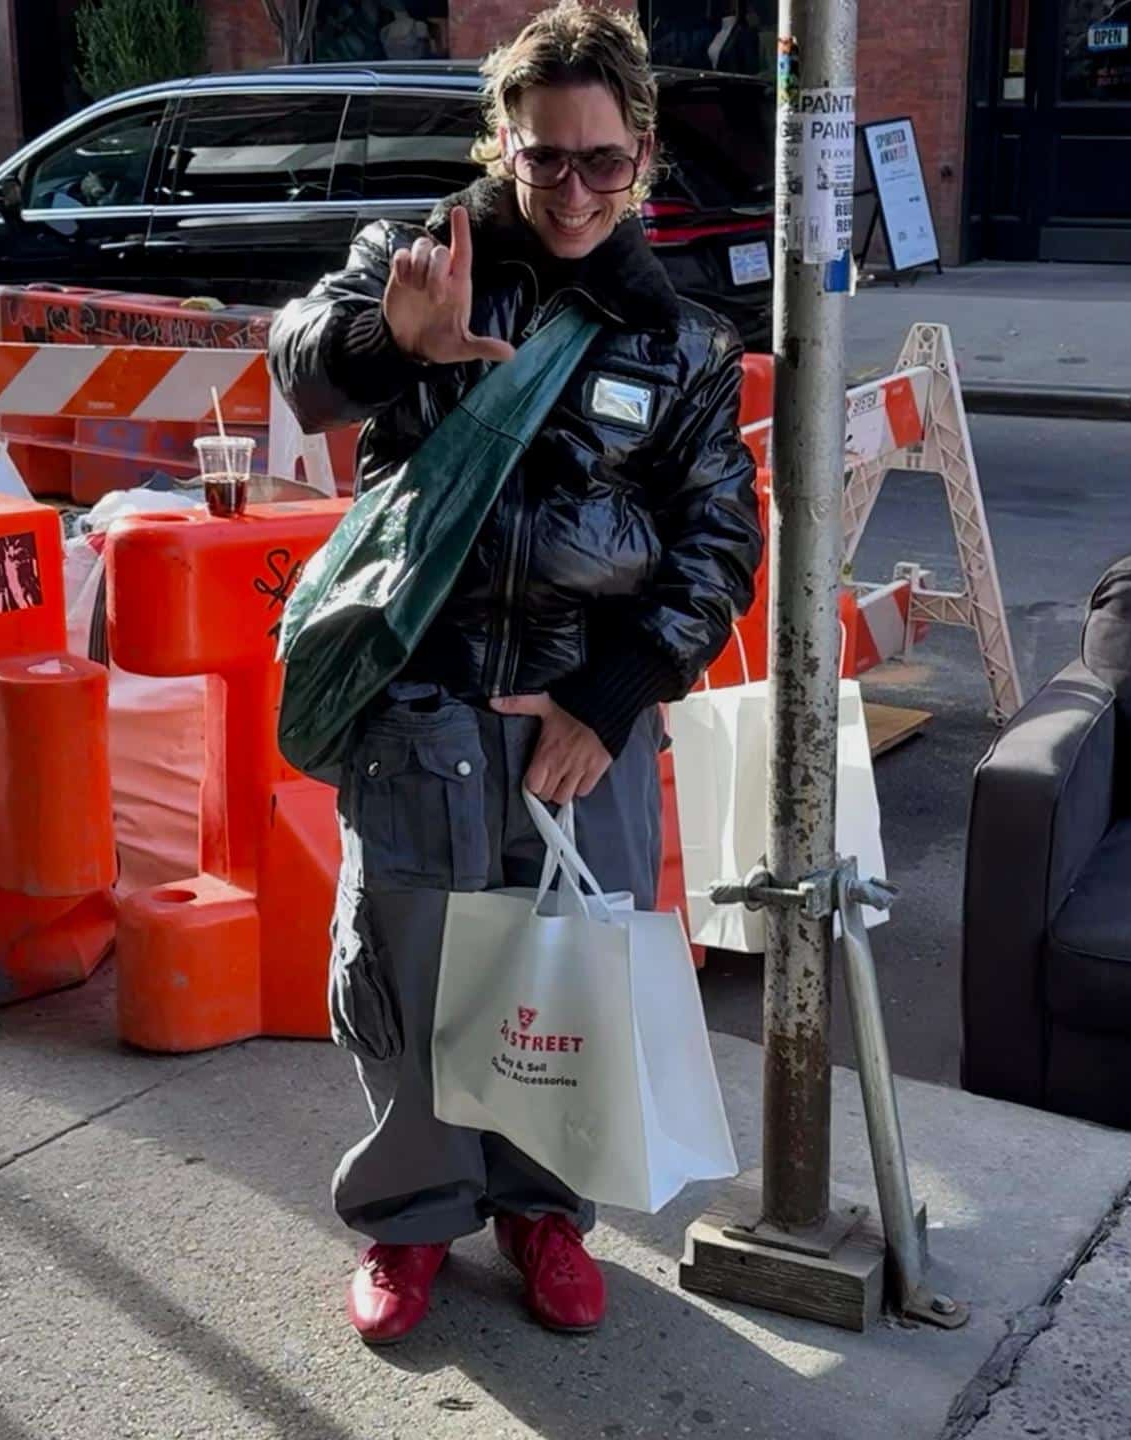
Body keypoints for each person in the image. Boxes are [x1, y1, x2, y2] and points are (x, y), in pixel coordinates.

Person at [270, 0, 760, 1347]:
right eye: (545, 158)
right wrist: (393, 344)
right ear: (503, 141)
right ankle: (413, 1223)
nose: (574, 190)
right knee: (407, 979)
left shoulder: (684, 344)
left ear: (644, 157)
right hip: (419, 705)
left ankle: (544, 1213)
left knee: (563, 979)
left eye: (605, 162)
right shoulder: (417, 258)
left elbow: (720, 546)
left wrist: (612, 702)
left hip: (578, 725)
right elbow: (300, 367)